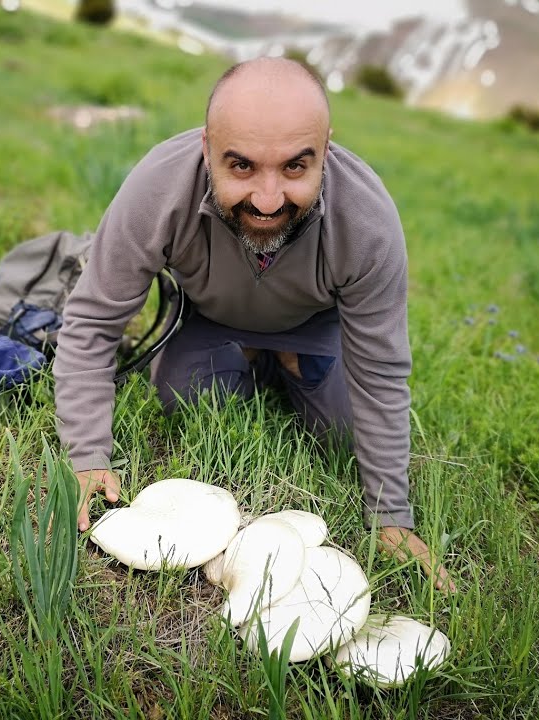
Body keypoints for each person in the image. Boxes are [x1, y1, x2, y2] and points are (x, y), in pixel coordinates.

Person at [52, 57, 456, 593]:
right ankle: (252, 356)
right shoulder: (158, 186)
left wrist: (391, 518)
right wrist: (86, 455)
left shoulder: (367, 222)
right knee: (182, 398)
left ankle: (290, 359)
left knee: (344, 436)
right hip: (212, 319)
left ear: (326, 151)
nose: (268, 199)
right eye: (241, 166)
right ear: (206, 149)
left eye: (295, 167)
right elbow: (92, 321)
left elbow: (380, 371)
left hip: (313, 327)